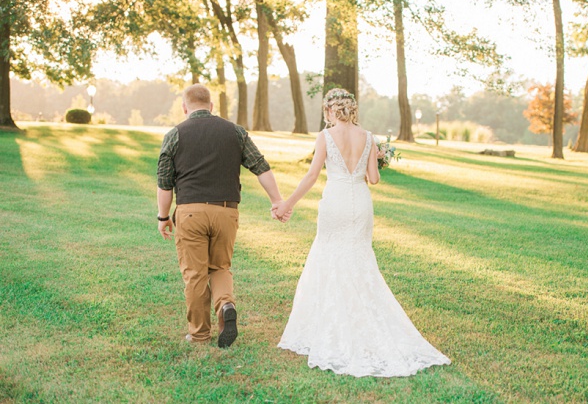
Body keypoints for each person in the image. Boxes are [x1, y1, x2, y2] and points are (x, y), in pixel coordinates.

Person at [272, 88, 451, 377]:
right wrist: (379, 156)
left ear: (331, 111)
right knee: (360, 258)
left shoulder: (326, 136)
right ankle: (365, 317)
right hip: (360, 203)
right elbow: (374, 179)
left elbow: (312, 175)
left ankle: (332, 325)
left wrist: (287, 204)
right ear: (351, 110)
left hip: (336, 200)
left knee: (329, 256)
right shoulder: (369, 137)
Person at [157, 83, 289, 348]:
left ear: (185, 107)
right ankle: (226, 304)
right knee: (220, 267)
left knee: (195, 274)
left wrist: (163, 217)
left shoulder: (175, 135)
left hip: (190, 213)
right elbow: (261, 167)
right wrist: (277, 201)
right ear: (212, 106)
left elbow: (164, 182)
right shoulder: (235, 132)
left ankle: (199, 334)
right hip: (227, 212)